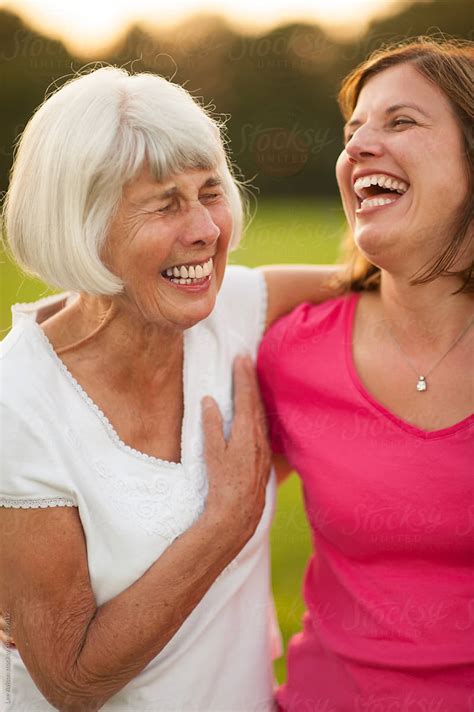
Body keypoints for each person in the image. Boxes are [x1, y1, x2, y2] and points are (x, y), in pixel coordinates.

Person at [0, 67, 339, 711]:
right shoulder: (17, 400)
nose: (207, 231)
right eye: (164, 203)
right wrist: (223, 525)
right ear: (82, 222)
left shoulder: (236, 309)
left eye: (210, 192)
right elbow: (71, 681)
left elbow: (390, 279)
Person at [257, 38, 473, 710]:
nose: (359, 148)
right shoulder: (294, 354)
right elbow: (185, 509)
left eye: (400, 122)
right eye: (353, 133)